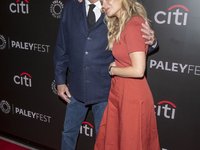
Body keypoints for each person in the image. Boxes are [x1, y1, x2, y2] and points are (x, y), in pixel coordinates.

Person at [53, 0, 158, 149]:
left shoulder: (114, 8)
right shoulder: (70, 7)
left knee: (106, 139)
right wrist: (60, 80)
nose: (105, 4)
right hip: (75, 87)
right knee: (68, 132)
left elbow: (133, 43)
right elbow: (61, 45)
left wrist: (152, 41)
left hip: (106, 90)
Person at [94, 0, 160, 150]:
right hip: (120, 93)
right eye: (102, 2)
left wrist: (113, 70)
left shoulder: (133, 24)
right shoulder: (122, 24)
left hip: (132, 97)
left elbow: (138, 70)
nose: (103, 5)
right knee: (116, 141)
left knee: (130, 143)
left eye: (107, 0)